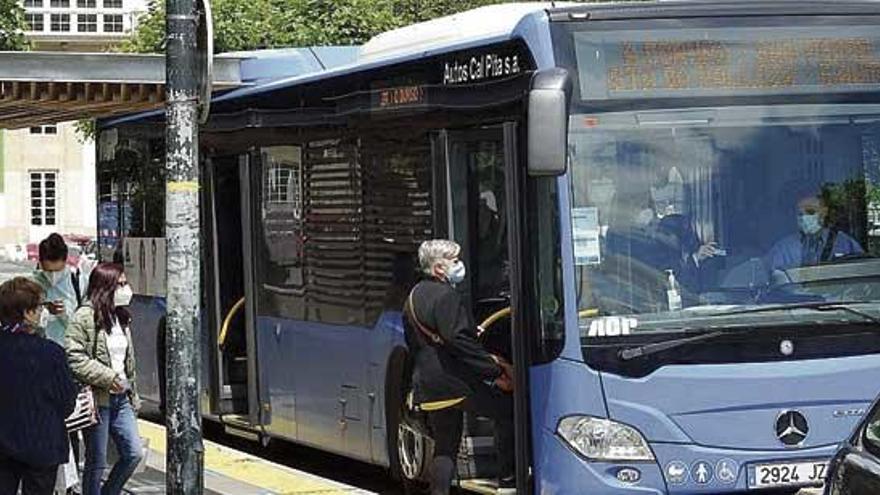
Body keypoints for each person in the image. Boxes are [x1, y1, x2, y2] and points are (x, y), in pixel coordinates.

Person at [403, 240, 515, 495]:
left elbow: (422, 341)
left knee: (445, 446)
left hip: (428, 386)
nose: (459, 265)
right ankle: (510, 481)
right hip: (455, 383)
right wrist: (495, 371)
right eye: (454, 261)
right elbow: (457, 341)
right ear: (440, 269)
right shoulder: (447, 296)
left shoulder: (413, 296)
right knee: (509, 410)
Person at [65, 263, 142, 495]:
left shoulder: (121, 317)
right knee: (96, 461)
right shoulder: (84, 317)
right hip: (98, 400)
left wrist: (133, 393)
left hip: (122, 399)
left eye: (125, 284)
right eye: (119, 284)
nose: (125, 289)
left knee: (133, 453)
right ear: (105, 287)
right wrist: (108, 377)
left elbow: (128, 362)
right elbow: (74, 356)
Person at [0, 277, 77, 495]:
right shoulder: (51, 353)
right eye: (40, 307)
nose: (43, 313)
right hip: (42, 444)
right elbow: (67, 403)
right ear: (27, 312)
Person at [768, 191, 863, 271]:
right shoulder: (783, 249)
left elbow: (861, 272)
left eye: (810, 212)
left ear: (824, 212)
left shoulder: (845, 243)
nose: (804, 218)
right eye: (800, 214)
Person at [32, 233, 84, 345]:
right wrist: (44, 312)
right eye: (48, 271)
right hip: (40, 347)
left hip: (70, 347)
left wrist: (64, 314)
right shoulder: (32, 284)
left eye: (58, 270)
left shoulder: (78, 282)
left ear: (65, 261)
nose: (53, 276)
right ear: (40, 263)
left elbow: (85, 323)